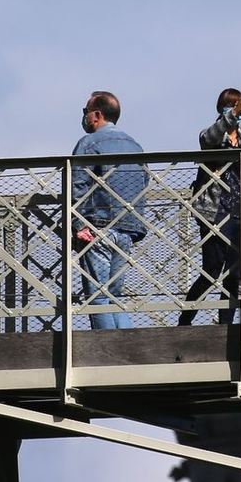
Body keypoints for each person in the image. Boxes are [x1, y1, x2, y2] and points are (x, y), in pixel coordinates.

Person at [178, 88, 241, 326]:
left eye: (238, 106)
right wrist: (233, 114)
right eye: (229, 107)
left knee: (236, 272)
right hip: (213, 211)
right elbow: (208, 139)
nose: (235, 111)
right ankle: (185, 320)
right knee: (211, 269)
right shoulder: (212, 135)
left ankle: (226, 325)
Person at [71, 91, 148, 330]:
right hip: (126, 230)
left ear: (97, 115)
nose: (84, 117)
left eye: (85, 112)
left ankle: (105, 354)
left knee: (98, 298)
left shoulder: (89, 143)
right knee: (115, 298)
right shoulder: (134, 145)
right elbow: (143, 181)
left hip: (98, 228)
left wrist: (78, 225)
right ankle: (127, 349)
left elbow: (78, 184)